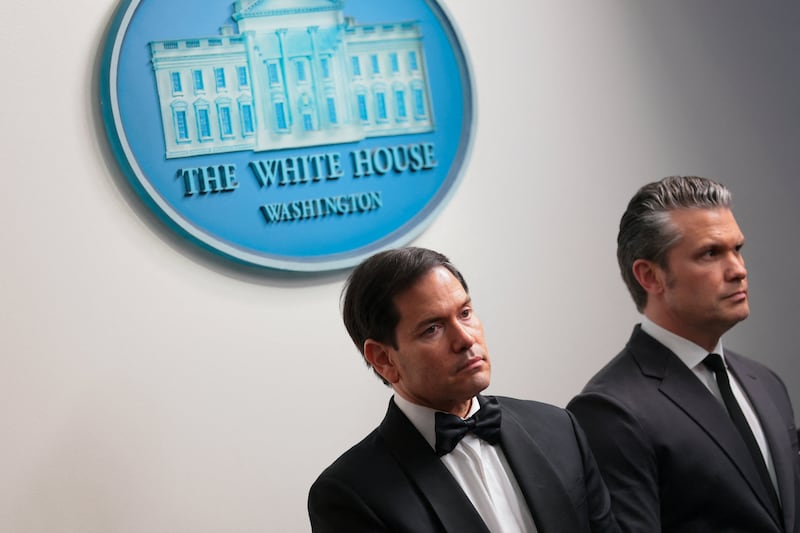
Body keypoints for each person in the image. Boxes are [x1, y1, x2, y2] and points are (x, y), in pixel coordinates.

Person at [308, 247, 619, 532]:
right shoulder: (350, 494)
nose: (465, 339)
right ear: (384, 359)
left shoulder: (559, 429)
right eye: (433, 328)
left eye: (465, 313)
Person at [568, 175, 800, 533]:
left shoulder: (767, 383)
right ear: (650, 276)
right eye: (711, 253)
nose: (739, 270)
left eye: (737, 249)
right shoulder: (609, 410)